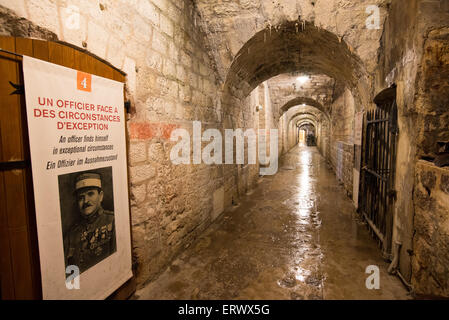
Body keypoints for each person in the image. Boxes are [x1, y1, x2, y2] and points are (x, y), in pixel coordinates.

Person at [64, 172, 116, 274]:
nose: (86, 201)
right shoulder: (72, 234)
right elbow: (69, 274)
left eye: (90, 194)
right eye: (81, 198)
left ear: (100, 196)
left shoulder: (112, 221)